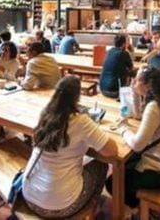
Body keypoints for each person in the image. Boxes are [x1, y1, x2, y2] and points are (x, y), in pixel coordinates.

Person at [22, 75, 118, 218]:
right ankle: (91, 209)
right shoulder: (80, 121)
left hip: (29, 195)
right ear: (77, 97)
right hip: (60, 206)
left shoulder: (46, 114)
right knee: (101, 164)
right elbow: (112, 151)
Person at [106, 67, 160, 209]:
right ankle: (142, 206)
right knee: (125, 164)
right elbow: (137, 115)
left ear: (147, 85)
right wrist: (134, 92)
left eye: (137, 80)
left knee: (113, 182)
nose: (133, 81)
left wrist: (123, 129)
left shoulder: (154, 107)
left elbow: (137, 145)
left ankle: (143, 210)